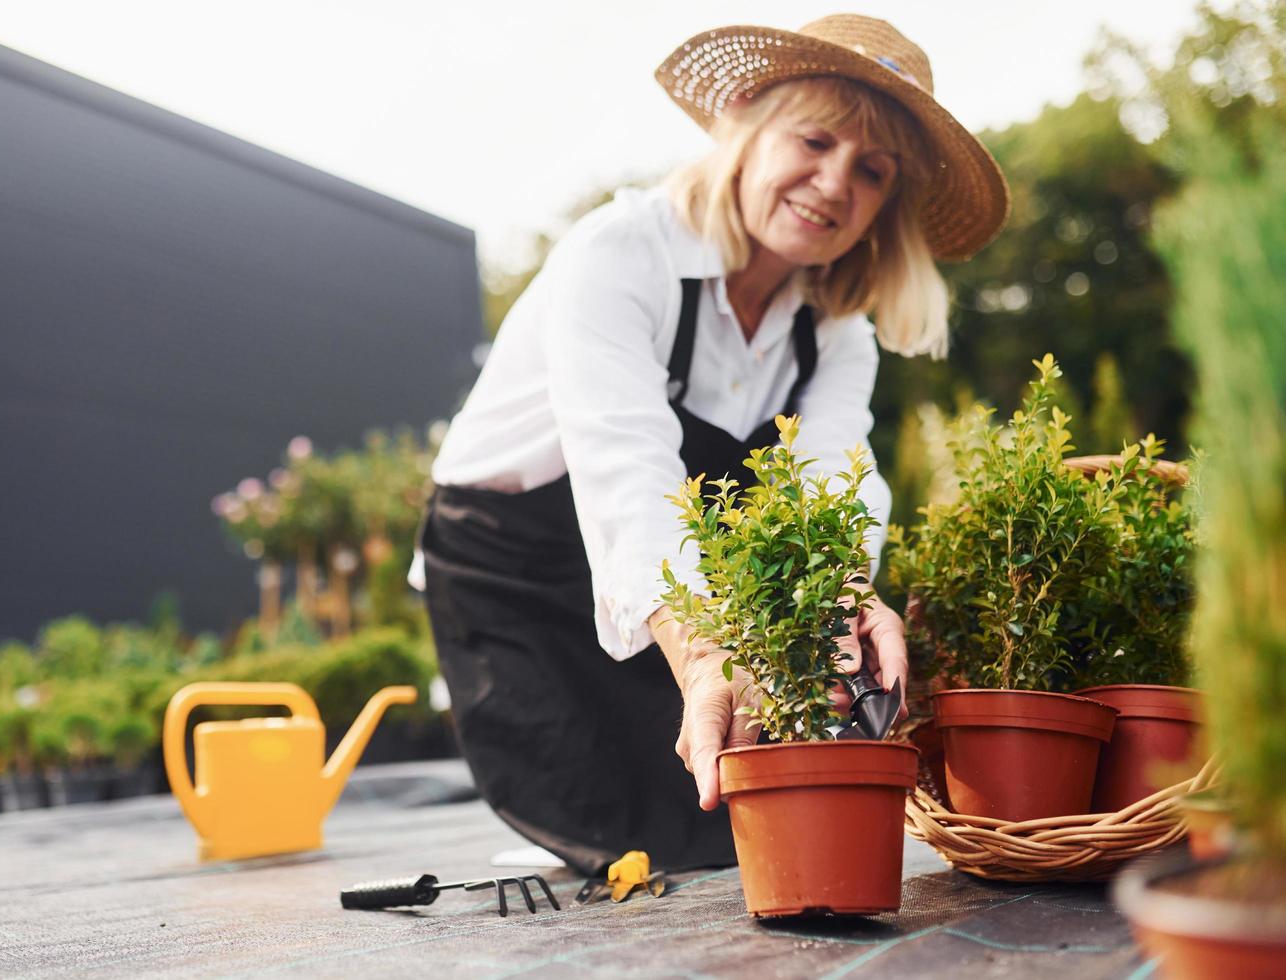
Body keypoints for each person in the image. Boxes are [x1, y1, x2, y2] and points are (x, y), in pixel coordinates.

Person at [411, 14, 1009, 875]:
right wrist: (703, 660)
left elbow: (831, 485)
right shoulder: (619, 256)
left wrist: (846, 594)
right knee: (623, 834)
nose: (835, 182)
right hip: (515, 568)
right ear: (744, 118)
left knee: (729, 831)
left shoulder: (836, 334)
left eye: (871, 171)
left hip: (677, 581)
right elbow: (628, 477)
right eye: (815, 139)